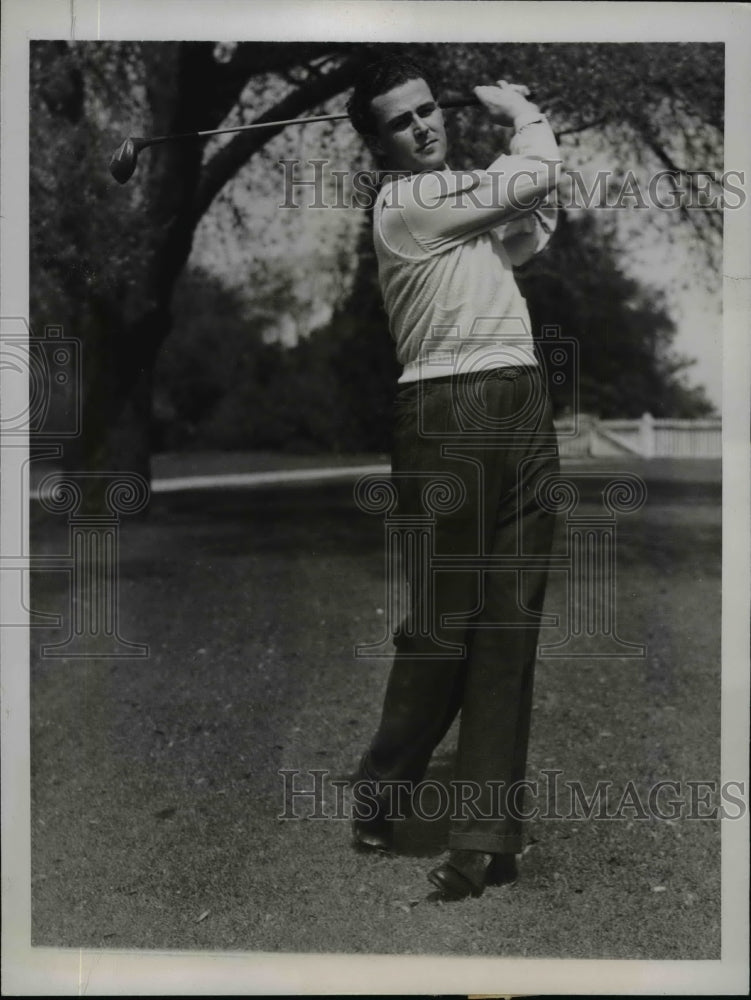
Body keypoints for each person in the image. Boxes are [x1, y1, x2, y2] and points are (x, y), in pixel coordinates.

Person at [347, 56, 562, 902]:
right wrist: (518, 111)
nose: (425, 126)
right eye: (402, 121)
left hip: (522, 402)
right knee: (444, 625)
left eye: (429, 109)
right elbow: (533, 171)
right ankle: (384, 784)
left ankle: (483, 840)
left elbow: (521, 232)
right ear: (378, 144)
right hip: (445, 413)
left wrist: (529, 174)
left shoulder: (456, 201)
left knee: (509, 625)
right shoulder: (403, 205)